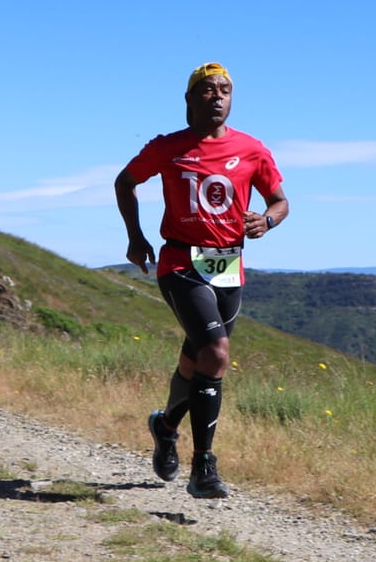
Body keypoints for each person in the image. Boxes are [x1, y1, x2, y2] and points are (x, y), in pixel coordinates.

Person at [115, 64, 288, 500]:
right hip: (179, 260)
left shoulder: (251, 149)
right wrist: (136, 236)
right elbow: (126, 181)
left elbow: (281, 202)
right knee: (216, 352)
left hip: (227, 264)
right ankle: (203, 467)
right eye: (207, 90)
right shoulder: (168, 147)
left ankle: (165, 426)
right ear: (190, 99)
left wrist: (266, 220)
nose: (217, 97)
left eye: (225, 90)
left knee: (198, 364)